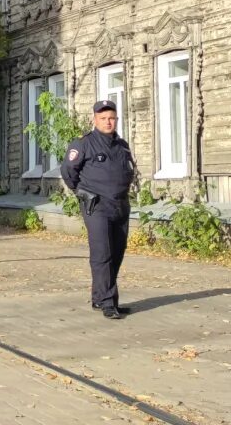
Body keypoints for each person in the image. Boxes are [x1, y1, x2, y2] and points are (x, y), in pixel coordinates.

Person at [60, 100, 136, 319]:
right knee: (102, 253)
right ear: (95, 120)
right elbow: (68, 171)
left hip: (120, 204)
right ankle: (107, 302)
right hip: (96, 205)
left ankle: (99, 296)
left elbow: (128, 171)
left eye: (111, 118)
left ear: (116, 119)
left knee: (117, 252)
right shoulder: (84, 143)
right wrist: (81, 192)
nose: (108, 122)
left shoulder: (122, 145)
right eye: (103, 118)